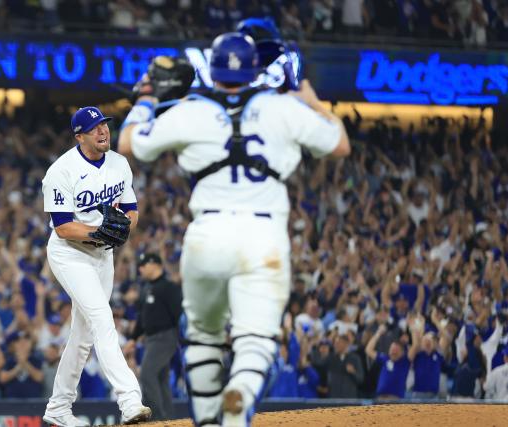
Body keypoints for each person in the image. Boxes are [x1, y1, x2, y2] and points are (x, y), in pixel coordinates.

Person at [118, 31, 349, 426]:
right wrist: (313, 102)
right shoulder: (281, 107)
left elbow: (126, 142)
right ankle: (241, 388)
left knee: (203, 335)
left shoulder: (192, 110)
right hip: (264, 237)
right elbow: (340, 145)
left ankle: (210, 419)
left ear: (212, 70)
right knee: (255, 339)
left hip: (207, 234)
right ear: (256, 70)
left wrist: (147, 98)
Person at [41, 106, 151, 426]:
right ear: (79, 136)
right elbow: (63, 226)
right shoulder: (61, 171)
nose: (103, 131)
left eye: (104, 125)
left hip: (103, 254)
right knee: (103, 319)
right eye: (94, 128)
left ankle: (59, 408)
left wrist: (124, 229)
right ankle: (129, 400)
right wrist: (99, 232)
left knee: (83, 335)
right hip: (70, 253)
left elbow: (131, 210)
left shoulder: (119, 163)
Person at [126, 253, 183, 421]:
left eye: (144, 265)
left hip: (165, 337)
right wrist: (133, 339)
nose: (140, 269)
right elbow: (142, 318)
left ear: (155, 265)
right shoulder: (146, 288)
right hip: (151, 340)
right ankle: (168, 419)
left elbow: (178, 315)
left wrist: (180, 338)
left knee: (147, 374)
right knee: (160, 378)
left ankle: (157, 418)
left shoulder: (169, 287)